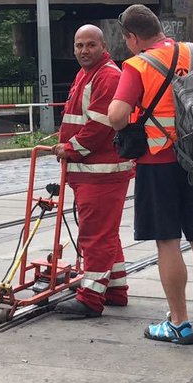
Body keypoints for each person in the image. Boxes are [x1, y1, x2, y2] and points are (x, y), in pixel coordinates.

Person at [106, 5, 193, 345]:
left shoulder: (137, 65)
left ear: (132, 37)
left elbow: (117, 116)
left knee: (168, 240)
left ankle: (180, 323)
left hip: (158, 163)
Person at [52, 24, 134, 318]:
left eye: (90, 45)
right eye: (79, 46)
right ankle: (114, 289)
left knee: (95, 235)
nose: (84, 51)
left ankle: (90, 298)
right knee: (106, 233)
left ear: (103, 46)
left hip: (102, 172)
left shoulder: (107, 75)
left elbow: (100, 126)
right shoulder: (87, 74)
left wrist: (70, 148)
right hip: (91, 171)